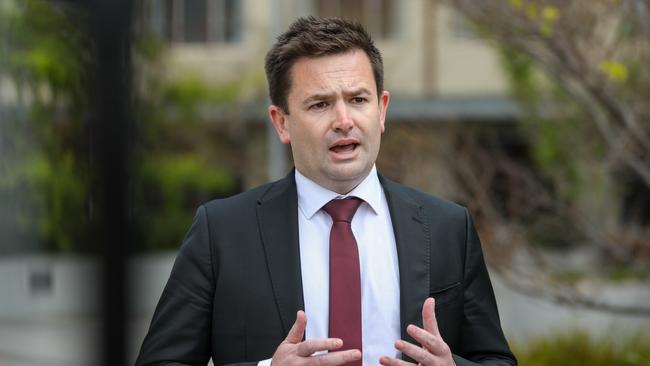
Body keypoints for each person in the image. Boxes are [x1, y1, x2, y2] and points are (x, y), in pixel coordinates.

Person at [136, 16, 517, 366]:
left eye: (358, 100)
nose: (343, 120)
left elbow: (496, 360)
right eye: (320, 104)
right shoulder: (220, 231)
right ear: (281, 123)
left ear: (381, 110)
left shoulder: (448, 227)